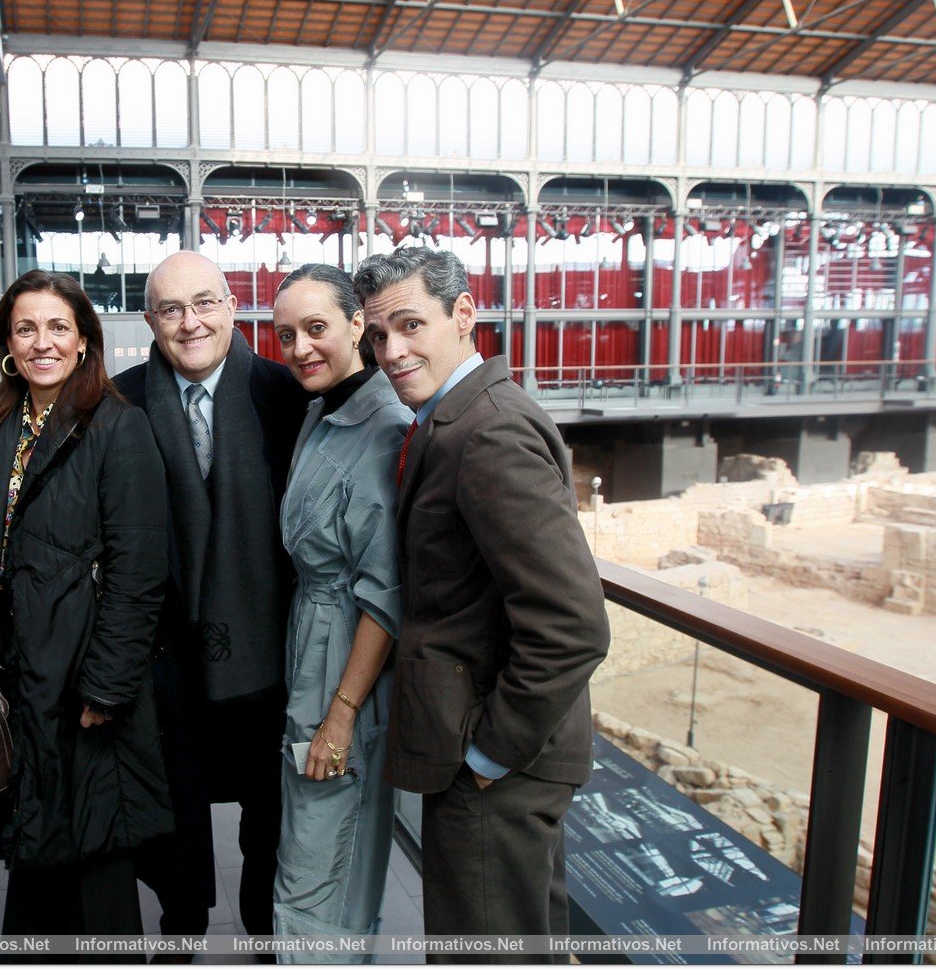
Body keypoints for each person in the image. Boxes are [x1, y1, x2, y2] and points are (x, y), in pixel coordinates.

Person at [356, 247, 610, 964]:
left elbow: (573, 623)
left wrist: (488, 754)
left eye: (410, 325)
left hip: (499, 766)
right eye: (378, 335)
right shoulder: (453, 419)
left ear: (464, 315)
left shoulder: (488, 432)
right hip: (486, 756)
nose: (392, 351)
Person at [112, 251, 309, 948]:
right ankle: (181, 931)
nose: (190, 322)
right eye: (171, 309)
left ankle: (266, 938)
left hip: (272, 660)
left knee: (272, 830)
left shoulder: (287, 395)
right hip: (166, 668)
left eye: (204, 303)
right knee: (174, 829)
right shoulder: (120, 402)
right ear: (151, 322)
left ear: (231, 307)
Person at [0, 270, 172, 945]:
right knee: (37, 847)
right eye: (26, 328)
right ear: (7, 340)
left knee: (97, 858)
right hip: (25, 676)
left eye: (58, 326)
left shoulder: (118, 427)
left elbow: (139, 570)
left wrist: (109, 685)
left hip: (88, 681)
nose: (42, 342)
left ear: (85, 340)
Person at [269, 265, 409, 957]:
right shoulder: (323, 412)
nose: (299, 348)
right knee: (311, 853)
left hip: (345, 666)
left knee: (323, 872)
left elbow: (386, 595)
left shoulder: (383, 429)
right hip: (314, 647)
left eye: (315, 328)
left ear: (359, 324)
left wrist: (342, 712)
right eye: (286, 334)